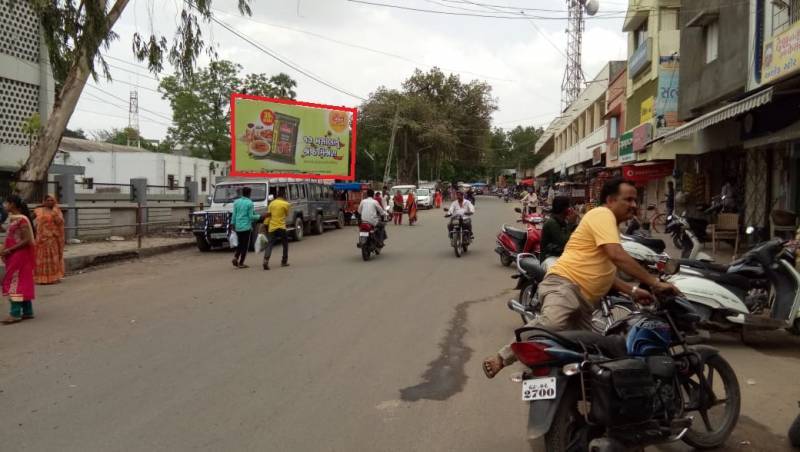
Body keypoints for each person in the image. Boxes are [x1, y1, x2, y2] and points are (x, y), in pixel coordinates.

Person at [483, 178, 680, 378]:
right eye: (628, 200)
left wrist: (634, 291)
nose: (634, 205)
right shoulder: (602, 214)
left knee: (591, 355)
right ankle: (502, 357)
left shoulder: (609, 228)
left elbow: (605, 274)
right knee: (552, 325)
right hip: (565, 285)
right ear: (610, 200)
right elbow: (616, 255)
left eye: (635, 200)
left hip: (585, 304)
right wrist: (655, 282)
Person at [1, 195, 36, 324]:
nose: (5, 205)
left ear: (13, 205)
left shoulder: (22, 220)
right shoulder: (14, 219)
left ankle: (15, 313)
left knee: (14, 282)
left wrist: (10, 249)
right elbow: (12, 235)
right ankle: (27, 311)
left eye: (7, 203)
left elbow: (26, 240)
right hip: (15, 255)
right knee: (22, 281)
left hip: (19, 255)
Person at [539, 196, 577, 271]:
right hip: (549, 257)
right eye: (569, 206)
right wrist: (571, 224)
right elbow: (563, 242)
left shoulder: (562, 221)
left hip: (560, 255)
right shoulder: (552, 223)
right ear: (564, 209)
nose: (571, 209)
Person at [34, 194, 65, 284]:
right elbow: (29, 220)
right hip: (41, 239)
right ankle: (41, 278)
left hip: (52, 239)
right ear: (44, 201)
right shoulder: (38, 210)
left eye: (52, 200)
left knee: (52, 259)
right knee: (40, 258)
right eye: (48, 200)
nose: (50, 202)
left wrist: (55, 214)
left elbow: (60, 223)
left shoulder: (57, 211)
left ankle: (53, 278)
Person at [230, 187, 261, 269]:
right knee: (245, 246)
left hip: (238, 227)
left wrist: (232, 225)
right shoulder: (249, 203)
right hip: (246, 227)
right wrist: (260, 216)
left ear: (242, 193)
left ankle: (236, 257)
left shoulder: (236, 202)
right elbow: (251, 217)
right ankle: (241, 263)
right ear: (249, 193)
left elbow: (234, 215)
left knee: (240, 244)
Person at [263, 187, 291, 270]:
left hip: (272, 227)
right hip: (281, 227)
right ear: (284, 195)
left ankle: (265, 260)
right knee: (285, 244)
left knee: (270, 244)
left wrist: (265, 224)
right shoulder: (286, 204)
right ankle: (284, 261)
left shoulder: (271, 203)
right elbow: (286, 215)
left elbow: (269, 215)